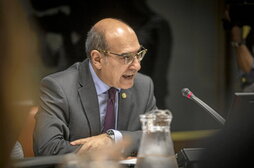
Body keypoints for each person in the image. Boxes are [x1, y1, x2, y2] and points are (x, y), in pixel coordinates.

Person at [33, 18, 157, 156]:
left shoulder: (144, 86)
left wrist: (114, 139)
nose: (137, 66)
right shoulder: (59, 88)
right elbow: (47, 149)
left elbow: (157, 137)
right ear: (97, 59)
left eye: (138, 54)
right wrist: (102, 152)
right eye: (126, 57)